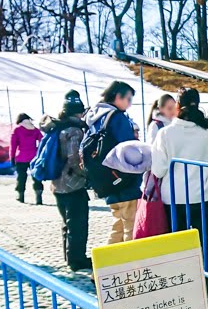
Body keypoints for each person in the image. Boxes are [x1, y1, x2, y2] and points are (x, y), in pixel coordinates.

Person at [150, 88, 208, 291]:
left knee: (176, 243)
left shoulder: (165, 134)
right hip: (202, 194)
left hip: (173, 197)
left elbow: (158, 168)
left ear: (178, 106)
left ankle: (180, 287)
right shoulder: (207, 132)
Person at [84, 81, 141, 244]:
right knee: (130, 226)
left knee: (118, 225)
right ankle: (131, 265)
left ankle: (106, 268)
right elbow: (129, 149)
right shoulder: (117, 117)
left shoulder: (95, 117)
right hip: (124, 180)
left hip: (105, 180)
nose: (129, 104)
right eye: (128, 99)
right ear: (117, 97)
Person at [42, 91, 91, 271]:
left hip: (57, 184)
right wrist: (87, 175)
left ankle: (69, 256)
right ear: (78, 112)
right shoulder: (74, 131)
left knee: (67, 223)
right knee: (78, 224)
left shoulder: (57, 127)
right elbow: (74, 158)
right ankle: (77, 260)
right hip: (72, 185)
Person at [10, 113, 44, 205]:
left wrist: (12, 158)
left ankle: (21, 197)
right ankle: (39, 197)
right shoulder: (35, 129)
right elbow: (43, 141)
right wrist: (38, 152)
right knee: (36, 176)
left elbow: (13, 146)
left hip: (21, 157)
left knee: (21, 177)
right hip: (34, 157)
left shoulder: (17, 130)